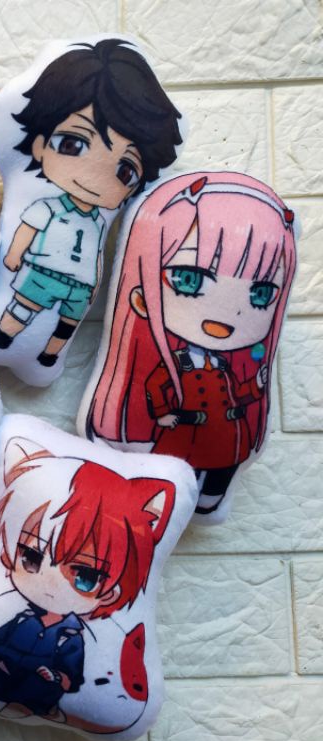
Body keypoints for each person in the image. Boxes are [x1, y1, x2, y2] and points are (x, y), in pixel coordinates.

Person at [85, 172, 296, 514]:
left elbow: (238, 391)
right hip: (183, 432)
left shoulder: (224, 365)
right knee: (171, 477)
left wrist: (255, 386)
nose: (227, 315)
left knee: (215, 474)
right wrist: (162, 414)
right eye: (189, 279)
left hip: (228, 434)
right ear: (141, 295)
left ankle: (210, 494)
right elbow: (155, 386)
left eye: (260, 294)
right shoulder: (178, 360)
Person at [0, 438, 174, 720]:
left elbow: (71, 678)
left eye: (85, 576)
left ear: (109, 593)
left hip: (34, 683)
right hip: (1, 672)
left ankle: (21, 701)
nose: (51, 581)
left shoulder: (71, 637)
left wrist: (55, 676)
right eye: (30, 557)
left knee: (41, 689)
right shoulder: (23, 618)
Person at [0, 39, 182, 367]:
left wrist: (93, 285)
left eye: (125, 170)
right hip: (41, 270)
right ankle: (3, 336)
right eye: (73, 144)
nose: (96, 177)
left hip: (80, 284)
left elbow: (96, 253)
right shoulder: (48, 207)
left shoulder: (97, 222)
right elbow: (28, 229)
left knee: (67, 323)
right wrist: (14, 254)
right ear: (39, 146)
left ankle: (49, 355)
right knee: (24, 305)